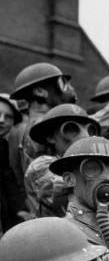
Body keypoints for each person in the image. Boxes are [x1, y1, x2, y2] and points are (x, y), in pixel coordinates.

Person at [7, 62, 77, 202]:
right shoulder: (41, 129)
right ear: (40, 91)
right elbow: (50, 185)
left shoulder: (27, 129)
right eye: (62, 83)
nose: (71, 89)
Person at [0, 94, 29, 234]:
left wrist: (21, 209)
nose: (1, 121)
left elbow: (8, 178)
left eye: (8, 117)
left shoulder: (3, 145)